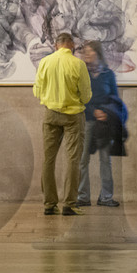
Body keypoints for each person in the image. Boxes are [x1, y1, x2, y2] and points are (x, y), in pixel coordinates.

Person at [32, 31, 91, 215]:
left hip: (50, 114)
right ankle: (69, 204)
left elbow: (37, 91)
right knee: (73, 159)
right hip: (73, 116)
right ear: (71, 45)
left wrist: (50, 98)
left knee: (48, 159)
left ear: (56, 45)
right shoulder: (78, 64)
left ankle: (49, 204)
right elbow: (86, 95)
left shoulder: (45, 62)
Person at [75, 40, 125, 207]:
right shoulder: (81, 73)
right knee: (83, 160)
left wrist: (105, 112)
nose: (87, 54)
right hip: (86, 120)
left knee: (105, 160)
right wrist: (93, 111)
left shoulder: (108, 74)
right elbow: (78, 97)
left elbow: (114, 97)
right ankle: (83, 197)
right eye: (85, 52)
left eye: (90, 51)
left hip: (104, 123)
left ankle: (106, 197)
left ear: (98, 53)